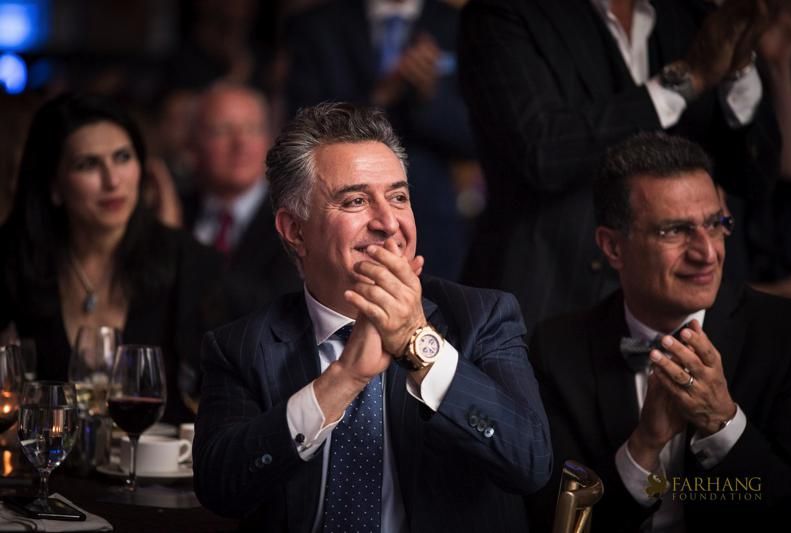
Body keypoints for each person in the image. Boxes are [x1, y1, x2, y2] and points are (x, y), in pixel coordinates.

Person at [193, 102, 551, 532]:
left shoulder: (483, 318)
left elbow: (531, 463)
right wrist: (344, 378)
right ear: (295, 230)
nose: (388, 222)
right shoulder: (241, 348)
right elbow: (220, 489)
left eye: (398, 197)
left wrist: (418, 344)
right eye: (356, 200)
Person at [528, 132, 791, 532]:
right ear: (613, 247)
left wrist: (723, 423)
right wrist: (643, 446)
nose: (707, 253)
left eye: (715, 224)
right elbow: (560, 524)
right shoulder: (556, 349)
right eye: (674, 231)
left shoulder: (788, 334)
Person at [458, 0, 780, 330]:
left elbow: (755, 176)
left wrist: (739, 69)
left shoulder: (692, 14)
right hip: (551, 296)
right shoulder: (502, 14)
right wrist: (688, 79)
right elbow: (541, 153)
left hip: (689, 308)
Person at [0, 93, 227, 423]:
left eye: (122, 157)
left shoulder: (190, 262)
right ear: (54, 184)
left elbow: (223, 396)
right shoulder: (13, 258)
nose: (112, 181)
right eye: (88, 164)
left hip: (161, 455)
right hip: (46, 454)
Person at [284, 0, 478, 280]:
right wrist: (381, 96)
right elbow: (300, 128)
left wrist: (429, 97)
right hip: (339, 223)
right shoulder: (317, 26)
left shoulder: (458, 24)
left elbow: (476, 137)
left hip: (434, 221)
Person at [183, 83, 301, 317]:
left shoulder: (295, 219)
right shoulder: (174, 209)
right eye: (222, 131)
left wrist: (183, 250)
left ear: (269, 140)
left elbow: (278, 312)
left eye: (252, 129)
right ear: (193, 143)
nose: (240, 144)